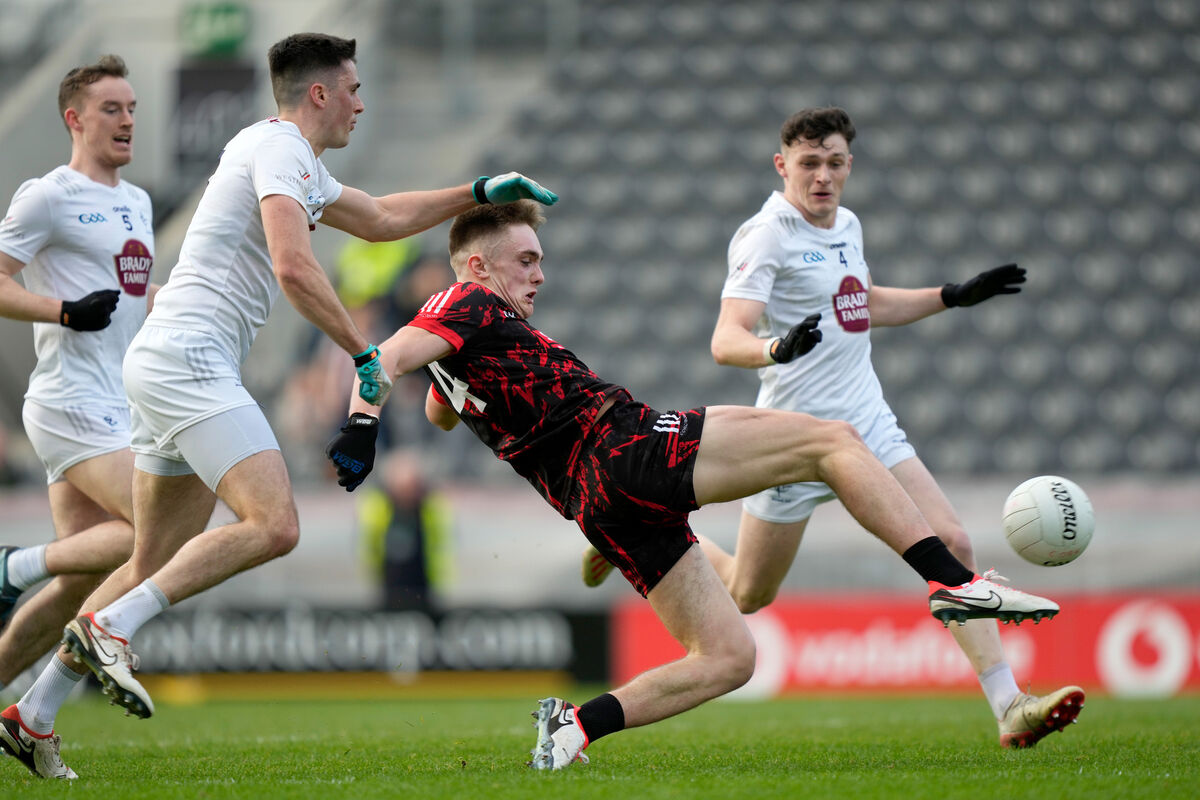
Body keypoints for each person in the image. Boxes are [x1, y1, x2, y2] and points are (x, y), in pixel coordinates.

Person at [323, 200, 1063, 770]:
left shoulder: (470, 338)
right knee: (833, 441)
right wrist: (361, 425)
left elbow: (442, 408)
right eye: (525, 260)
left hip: (596, 507)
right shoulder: (466, 302)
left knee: (730, 658)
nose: (539, 274)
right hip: (628, 447)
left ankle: (573, 727)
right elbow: (381, 359)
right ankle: (949, 582)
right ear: (478, 267)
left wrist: (446, 385)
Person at [8, 32, 557, 779]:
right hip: (190, 360)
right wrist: (363, 353)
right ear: (320, 94)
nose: (363, 103)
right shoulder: (281, 150)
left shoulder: (293, 162)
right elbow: (294, 265)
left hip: (163, 360)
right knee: (274, 524)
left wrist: (481, 190)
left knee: (150, 556)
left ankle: (32, 713)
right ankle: (107, 625)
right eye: (354, 90)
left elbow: (382, 217)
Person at [588, 106, 1083, 749]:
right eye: (809, 164)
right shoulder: (766, 234)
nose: (823, 176)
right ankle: (634, 535)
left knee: (954, 543)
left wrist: (951, 295)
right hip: (794, 441)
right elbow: (726, 338)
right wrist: (775, 349)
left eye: (835, 163)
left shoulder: (847, 223)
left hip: (868, 426)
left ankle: (1010, 707)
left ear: (850, 164)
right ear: (782, 165)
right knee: (746, 593)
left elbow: (862, 302)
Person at [0, 55, 156, 780]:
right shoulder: (47, 197)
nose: (128, 120)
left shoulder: (141, 201)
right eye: (112, 109)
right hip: (67, 403)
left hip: (117, 406)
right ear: (74, 118)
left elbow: (130, 296)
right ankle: (14, 565)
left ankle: (25, 718)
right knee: (156, 536)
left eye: (131, 108)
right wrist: (61, 310)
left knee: (77, 581)